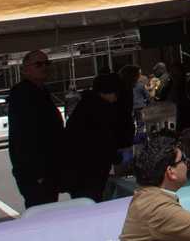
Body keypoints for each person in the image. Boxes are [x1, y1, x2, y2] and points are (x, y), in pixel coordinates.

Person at [7, 50, 64, 206]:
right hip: (35, 173)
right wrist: (37, 173)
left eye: (47, 63)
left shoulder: (42, 90)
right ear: (25, 69)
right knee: (42, 212)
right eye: (39, 64)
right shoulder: (22, 93)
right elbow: (23, 136)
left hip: (48, 169)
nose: (44, 67)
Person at [63, 72, 130, 202]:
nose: (117, 98)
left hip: (77, 171)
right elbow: (103, 142)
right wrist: (118, 158)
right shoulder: (101, 109)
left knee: (84, 203)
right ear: (110, 91)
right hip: (89, 171)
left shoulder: (85, 104)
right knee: (91, 202)